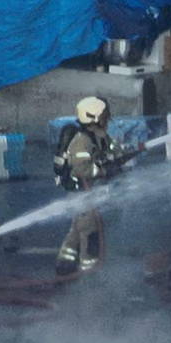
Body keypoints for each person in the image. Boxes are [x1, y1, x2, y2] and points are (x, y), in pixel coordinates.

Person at [54, 96, 139, 276]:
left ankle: (65, 261)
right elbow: (81, 169)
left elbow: (113, 150)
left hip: (90, 191)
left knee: (79, 227)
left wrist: (130, 150)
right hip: (82, 192)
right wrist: (104, 171)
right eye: (104, 116)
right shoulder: (82, 140)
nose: (107, 119)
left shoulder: (99, 136)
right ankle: (89, 270)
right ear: (94, 118)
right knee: (90, 230)